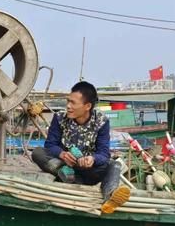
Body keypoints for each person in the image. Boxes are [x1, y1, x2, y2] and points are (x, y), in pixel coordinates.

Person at [31, 81, 130, 214]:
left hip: (89, 171)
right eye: (68, 101)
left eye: (73, 103)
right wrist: (62, 155)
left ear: (87, 106)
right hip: (65, 167)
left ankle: (110, 197)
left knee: (114, 165)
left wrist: (92, 159)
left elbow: (104, 153)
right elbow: (50, 145)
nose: (68, 106)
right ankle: (68, 177)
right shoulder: (59, 118)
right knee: (37, 153)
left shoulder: (101, 121)